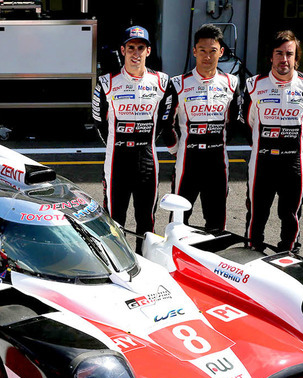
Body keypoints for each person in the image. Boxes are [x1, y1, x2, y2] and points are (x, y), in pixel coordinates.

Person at [92, 25, 172, 253]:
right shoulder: (107, 82)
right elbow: (99, 121)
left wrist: (143, 142)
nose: (135, 53)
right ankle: (117, 262)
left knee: (146, 220)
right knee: (114, 220)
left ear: (148, 51)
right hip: (117, 160)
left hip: (147, 159)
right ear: (122, 50)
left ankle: (145, 261)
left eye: (140, 47)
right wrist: (116, 143)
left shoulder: (162, 82)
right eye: (131, 48)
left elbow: (165, 120)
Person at [241, 30, 303, 253]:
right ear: (271, 57)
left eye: (289, 54)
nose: (284, 59)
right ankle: (251, 253)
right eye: (279, 53)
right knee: (257, 214)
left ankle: (288, 253)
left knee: (291, 215)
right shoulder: (254, 86)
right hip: (262, 163)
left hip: (293, 163)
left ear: (296, 58)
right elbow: (246, 123)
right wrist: (260, 144)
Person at [164, 24, 239, 230]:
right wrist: (175, 150)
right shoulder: (178, 83)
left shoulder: (231, 83)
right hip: (188, 160)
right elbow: (166, 123)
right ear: (194, 51)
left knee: (216, 221)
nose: (207, 56)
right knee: (179, 219)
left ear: (221, 52)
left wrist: (220, 143)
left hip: (217, 161)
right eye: (203, 50)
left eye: (213, 51)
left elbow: (234, 123)